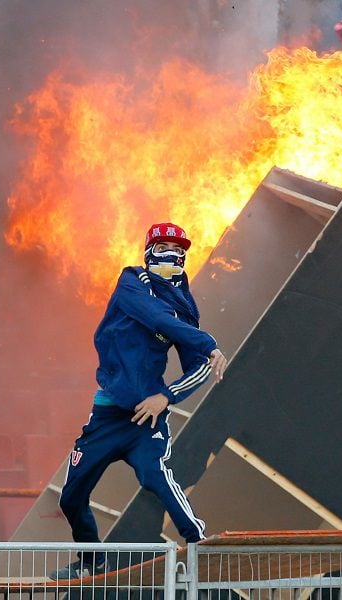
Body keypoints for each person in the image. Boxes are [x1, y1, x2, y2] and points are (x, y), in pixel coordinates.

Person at [49, 223, 228, 581]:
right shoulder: (132, 281)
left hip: (146, 419)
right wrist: (209, 341)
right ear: (148, 251)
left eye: (179, 252)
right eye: (164, 248)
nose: (173, 256)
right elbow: (157, 318)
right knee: (70, 497)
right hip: (106, 415)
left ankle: (198, 542)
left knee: (155, 476)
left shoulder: (184, 307)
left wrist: (167, 396)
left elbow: (197, 368)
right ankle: (91, 560)